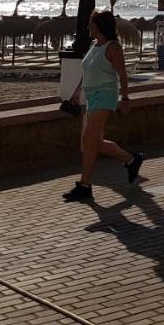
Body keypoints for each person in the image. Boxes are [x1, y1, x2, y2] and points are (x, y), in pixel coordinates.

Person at [62, 11, 143, 202]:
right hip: (91, 96)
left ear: (99, 26)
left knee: (88, 140)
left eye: (91, 23)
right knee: (96, 142)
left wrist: (125, 98)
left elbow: (123, 74)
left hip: (105, 96)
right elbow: (87, 71)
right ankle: (132, 160)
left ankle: (84, 185)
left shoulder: (113, 47)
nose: (88, 27)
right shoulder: (93, 45)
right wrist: (76, 92)